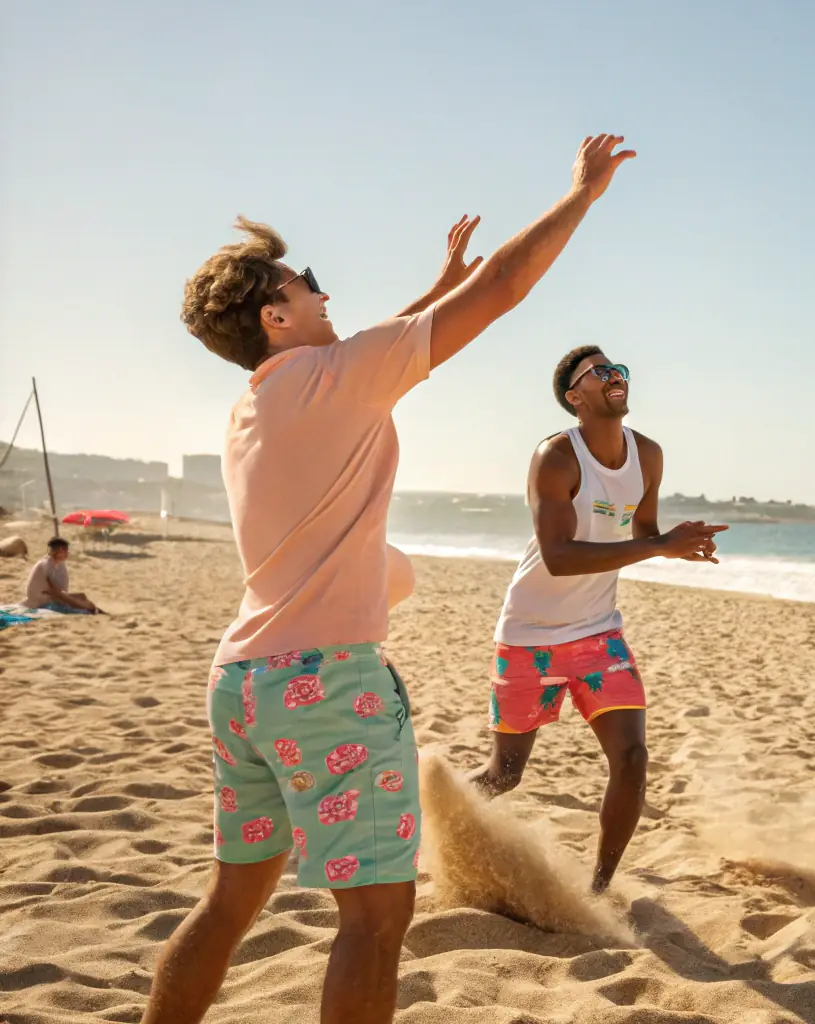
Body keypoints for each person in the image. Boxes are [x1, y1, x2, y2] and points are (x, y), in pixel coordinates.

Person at [140, 134, 636, 1024]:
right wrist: (583, 194)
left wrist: (436, 287)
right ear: (275, 317)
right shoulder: (331, 379)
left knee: (229, 903)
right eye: (305, 282)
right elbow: (502, 287)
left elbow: (373, 353)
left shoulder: (260, 400)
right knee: (374, 920)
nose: (323, 291)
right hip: (326, 684)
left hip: (242, 684)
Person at [469, 346, 727, 893]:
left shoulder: (648, 454)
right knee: (504, 775)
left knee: (632, 758)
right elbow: (559, 558)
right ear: (575, 397)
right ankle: (430, 817)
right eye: (601, 372)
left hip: (597, 632)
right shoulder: (556, 457)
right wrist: (658, 546)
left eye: (619, 369)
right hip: (528, 635)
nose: (616, 376)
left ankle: (599, 891)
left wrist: (675, 545)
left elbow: (643, 531)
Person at [23, 537, 101, 613]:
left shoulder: (54, 564)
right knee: (84, 608)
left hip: (48, 598)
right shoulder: (46, 565)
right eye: (66, 550)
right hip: (40, 603)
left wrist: (81, 603)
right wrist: (82, 605)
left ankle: (95, 609)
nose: (68, 553)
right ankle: (95, 610)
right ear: (60, 551)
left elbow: (59, 592)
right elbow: (57, 593)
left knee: (82, 596)